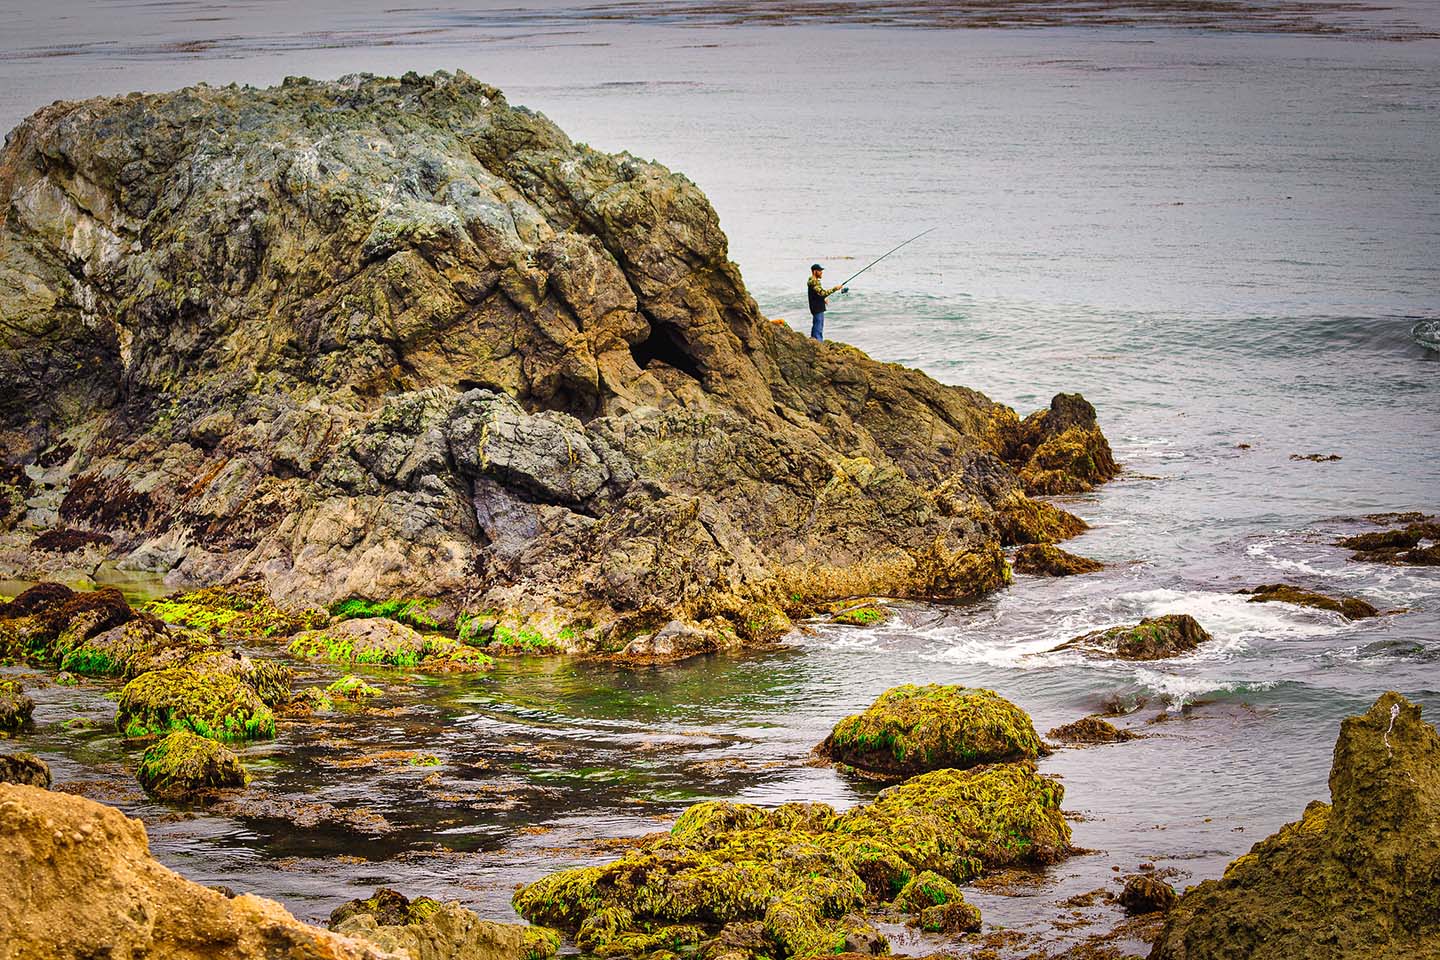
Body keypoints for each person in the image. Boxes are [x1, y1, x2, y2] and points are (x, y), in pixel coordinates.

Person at [806, 264, 847, 341]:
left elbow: (817, 293)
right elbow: (822, 293)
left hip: (816, 306)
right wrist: (835, 288)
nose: (821, 272)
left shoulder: (812, 281)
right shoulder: (814, 282)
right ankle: (818, 343)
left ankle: (813, 341)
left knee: (817, 325)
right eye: (820, 271)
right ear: (815, 271)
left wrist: (823, 298)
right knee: (818, 326)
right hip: (817, 307)